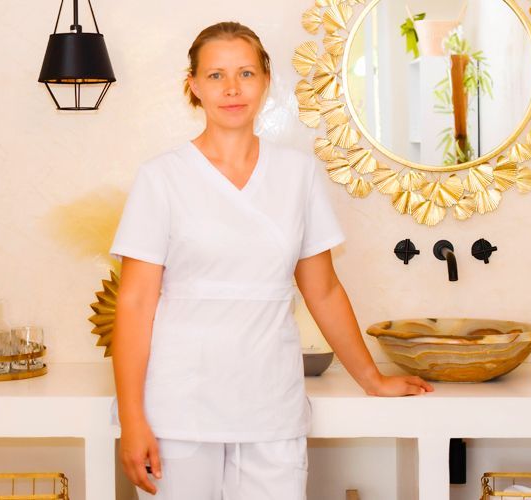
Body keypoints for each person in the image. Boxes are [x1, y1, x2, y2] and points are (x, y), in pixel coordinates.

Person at [110, 21, 434, 500]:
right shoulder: (162, 178)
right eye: (216, 76)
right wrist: (132, 418)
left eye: (245, 73)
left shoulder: (297, 174)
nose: (232, 88)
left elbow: (322, 289)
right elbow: (135, 303)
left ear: (265, 80)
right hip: (179, 406)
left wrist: (373, 378)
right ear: (193, 86)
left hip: (270, 404)